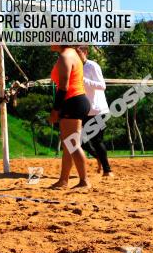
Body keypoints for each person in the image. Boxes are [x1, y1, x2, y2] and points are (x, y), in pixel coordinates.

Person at [48, 45, 91, 189]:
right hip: (77, 100)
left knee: (72, 144)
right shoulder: (72, 53)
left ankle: (84, 181)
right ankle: (63, 180)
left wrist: (55, 110)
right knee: (69, 144)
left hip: (72, 101)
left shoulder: (65, 56)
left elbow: (63, 87)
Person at [76, 45, 112, 177]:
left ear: (85, 52)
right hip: (84, 110)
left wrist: (83, 80)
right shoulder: (75, 67)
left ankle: (107, 170)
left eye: (78, 52)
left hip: (98, 110)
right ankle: (99, 158)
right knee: (80, 141)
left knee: (97, 140)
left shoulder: (92, 66)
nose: (75, 55)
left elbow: (102, 86)